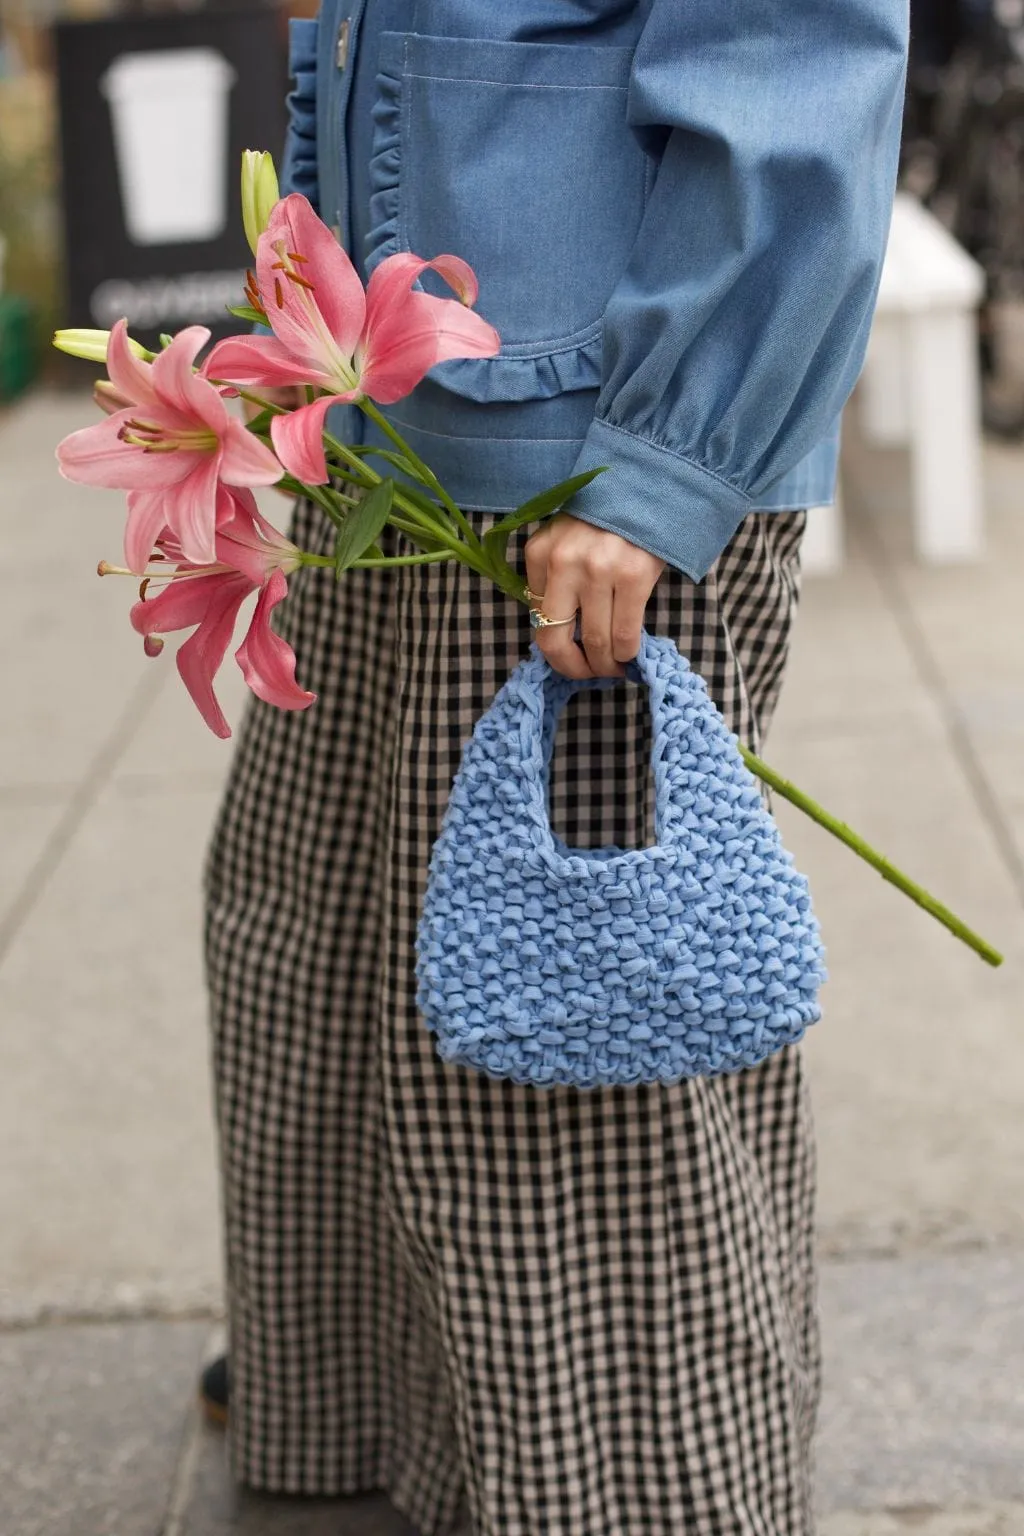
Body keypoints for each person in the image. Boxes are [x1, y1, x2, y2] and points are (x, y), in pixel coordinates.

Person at [200, 2, 908, 1531]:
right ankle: (382, 1401)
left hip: (578, 474)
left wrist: (665, 471)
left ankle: (635, 1496)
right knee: (324, 944)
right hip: (393, 416)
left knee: (582, 1034)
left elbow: (792, 57)